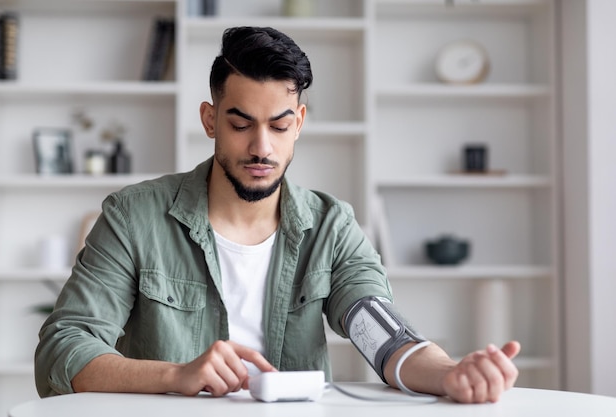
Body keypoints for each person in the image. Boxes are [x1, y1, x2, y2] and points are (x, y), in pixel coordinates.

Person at [35, 26, 520, 404]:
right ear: (210, 120)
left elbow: (382, 334)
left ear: (300, 124)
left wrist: (448, 375)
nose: (261, 147)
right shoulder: (133, 216)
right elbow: (63, 348)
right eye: (241, 123)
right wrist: (177, 375)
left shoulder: (332, 225)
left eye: (279, 125)